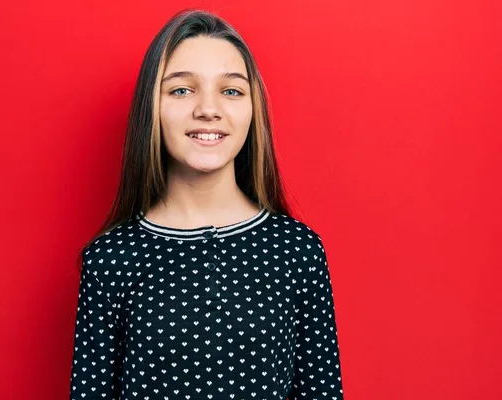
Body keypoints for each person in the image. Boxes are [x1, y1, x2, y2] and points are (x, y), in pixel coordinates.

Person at [68, 8, 344, 400]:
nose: (208, 109)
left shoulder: (297, 252)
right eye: (182, 89)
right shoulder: (111, 260)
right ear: (153, 108)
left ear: (253, 111)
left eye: (231, 90)